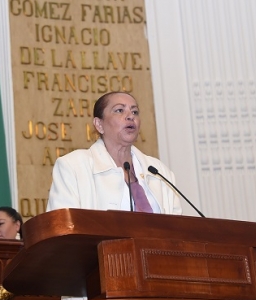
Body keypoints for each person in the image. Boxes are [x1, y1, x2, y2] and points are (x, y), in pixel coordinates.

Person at [47, 91, 183, 214]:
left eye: (134, 112)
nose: (130, 116)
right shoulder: (73, 166)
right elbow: (63, 228)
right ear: (99, 124)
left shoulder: (160, 172)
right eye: (119, 110)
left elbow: (177, 230)